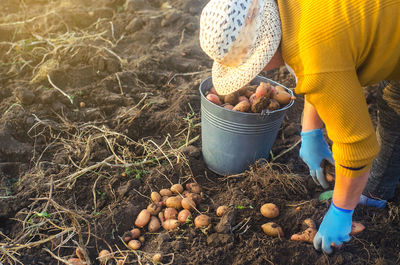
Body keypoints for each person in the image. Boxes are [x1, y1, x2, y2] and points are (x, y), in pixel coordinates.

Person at [199, 0, 400, 254]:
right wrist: (310, 129)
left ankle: (376, 191)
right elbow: (329, 59)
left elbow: (356, 147)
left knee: (394, 108)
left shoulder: (314, 54)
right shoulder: (294, 11)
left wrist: (341, 210)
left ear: (265, 49)